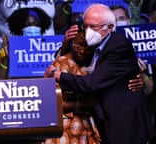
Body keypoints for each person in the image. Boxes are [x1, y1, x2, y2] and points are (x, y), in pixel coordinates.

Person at [45, 3, 156, 144]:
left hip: (126, 122)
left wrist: (58, 75)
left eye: (94, 27)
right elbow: (75, 57)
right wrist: (66, 43)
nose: (88, 31)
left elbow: (92, 83)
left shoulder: (117, 45)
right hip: (107, 120)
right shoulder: (97, 44)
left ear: (110, 27)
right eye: (86, 26)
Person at [43, 30, 100, 144]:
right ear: (72, 42)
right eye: (78, 46)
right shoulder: (60, 64)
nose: (82, 51)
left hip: (84, 128)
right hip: (64, 131)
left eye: (88, 48)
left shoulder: (94, 66)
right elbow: (49, 103)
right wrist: (83, 104)